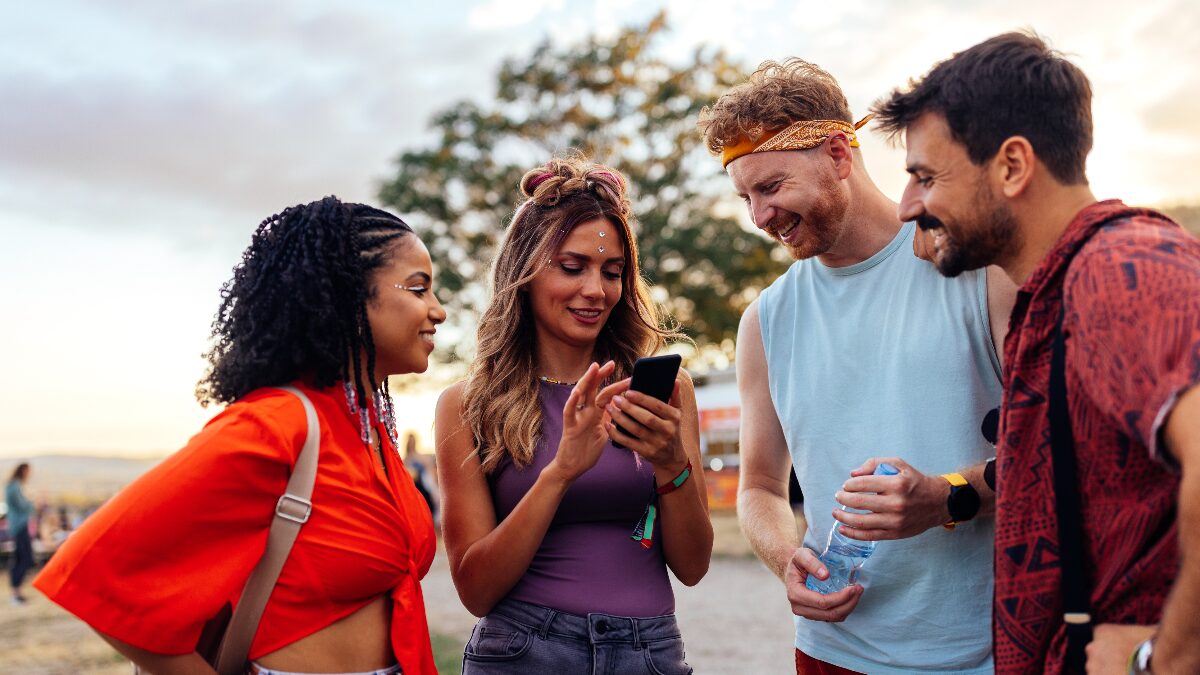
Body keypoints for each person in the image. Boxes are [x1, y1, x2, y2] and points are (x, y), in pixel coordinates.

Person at [873, 31, 1200, 675]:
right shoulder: (1055, 289)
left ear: (1013, 166)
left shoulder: (1122, 268)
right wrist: (948, 494)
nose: (908, 205)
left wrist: (1167, 659)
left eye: (925, 177)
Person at [34, 197, 446, 675]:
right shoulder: (279, 424)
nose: (437, 310)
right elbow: (100, 571)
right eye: (419, 290)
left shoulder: (366, 427)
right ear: (348, 297)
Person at [698, 59, 1016, 674]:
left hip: (981, 653)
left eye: (771, 188)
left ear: (840, 154)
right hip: (831, 653)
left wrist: (946, 497)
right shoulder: (766, 319)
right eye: (745, 198)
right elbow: (761, 487)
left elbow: (1055, 453)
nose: (759, 218)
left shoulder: (975, 269)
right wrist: (784, 555)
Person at [434, 156, 713, 674]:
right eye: (572, 267)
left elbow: (693, 567)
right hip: (523, 649)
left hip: (647, 653)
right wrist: (560, 473)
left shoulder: (667, 391)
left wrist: (671, 464)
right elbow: (475, 590)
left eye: (612, 272)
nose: (596, 291)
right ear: (525, 272)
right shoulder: (469, 404)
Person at [6, 462, 34, 606]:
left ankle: (16, 593)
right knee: (25, 559)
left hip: (16, 526)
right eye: (29, 471)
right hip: (20, 526)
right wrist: (32, 504)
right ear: (23, 471)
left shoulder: (12, 485)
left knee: (19, 559)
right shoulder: (15, 486)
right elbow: (23, 506)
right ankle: (15, 593)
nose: (30, 474)